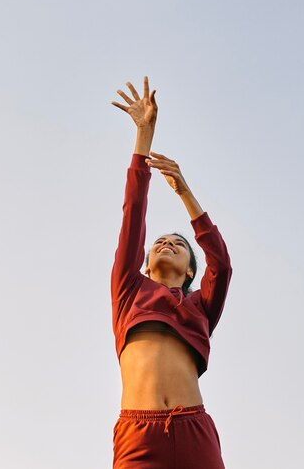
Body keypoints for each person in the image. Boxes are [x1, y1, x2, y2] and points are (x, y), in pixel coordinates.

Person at [110, 76, 232, 469]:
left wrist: (184, 191)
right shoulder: (129, 290)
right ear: (145, 263)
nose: (168, 244)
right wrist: (143, 138)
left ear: (190, 270)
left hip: (194, 429)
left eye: (179, 245)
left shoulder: (199, 307)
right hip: (139, 435)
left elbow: (223, 265)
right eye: (160, 242)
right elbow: (133, 215)